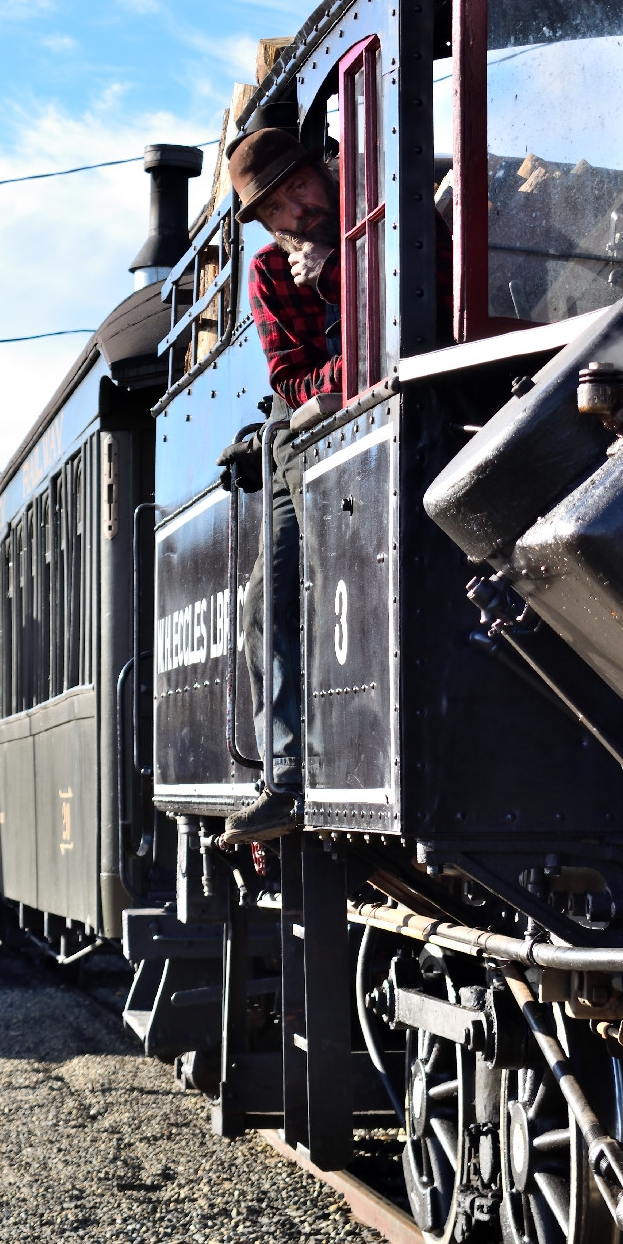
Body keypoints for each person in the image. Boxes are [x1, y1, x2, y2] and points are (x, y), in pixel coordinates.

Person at [218, 128, 343, 844]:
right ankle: (286, 775)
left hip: (370, 419)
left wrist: (333, 276)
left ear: (321, 168)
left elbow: (411, 321)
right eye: (275, 209)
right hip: (305, 439)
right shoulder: (269, 273)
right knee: (266, 599)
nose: (295, 212)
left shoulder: (387, 218)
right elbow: (294, 382)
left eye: (297, 188)